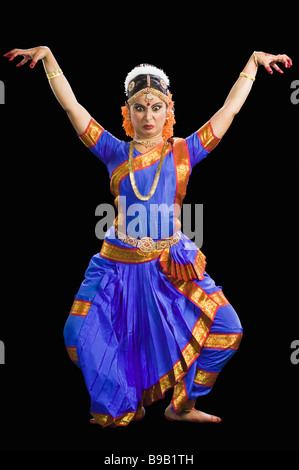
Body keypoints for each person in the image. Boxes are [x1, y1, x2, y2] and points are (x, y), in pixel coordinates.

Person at [4, 47, 292, 427]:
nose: (149, 116)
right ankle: (120, 394)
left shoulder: (183, 153)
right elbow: (72, 107)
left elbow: (229, 111)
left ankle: (182, 405)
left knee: (227, 328)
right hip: (118, 264)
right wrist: (49, 58)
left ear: (167, 110)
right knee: (77, 333)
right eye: (140, 107)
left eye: (156, 106)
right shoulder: (113, 151)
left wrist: (252, 63)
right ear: (128, 113)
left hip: (170, 264)